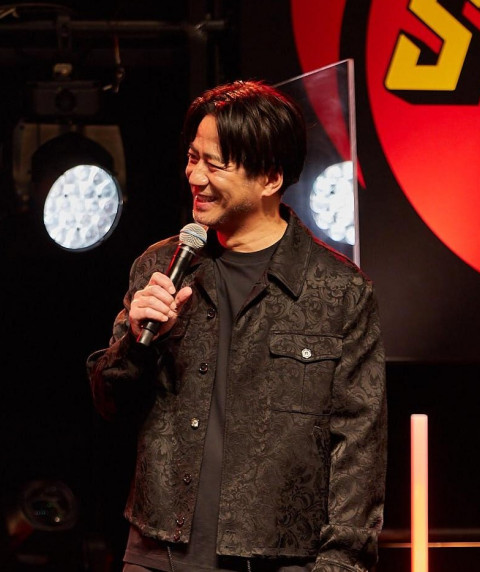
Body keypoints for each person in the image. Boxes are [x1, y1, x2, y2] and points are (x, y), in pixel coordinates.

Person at [87, 80, 386, 572]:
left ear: (270, 177)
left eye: (215, 164)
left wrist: (341, 563)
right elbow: (110, 404)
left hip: (279, 556)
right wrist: (138, 345)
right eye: (192, 158)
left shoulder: (339, 291)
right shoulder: (161, 266)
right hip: (160, 553)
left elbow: (359, 447)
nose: (195, 176)